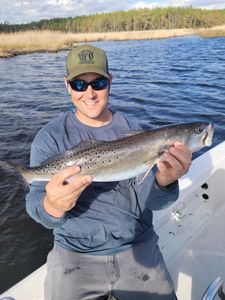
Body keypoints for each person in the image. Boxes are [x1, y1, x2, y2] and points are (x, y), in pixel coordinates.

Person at [26, 44, 192, 300]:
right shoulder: (50, 137)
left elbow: (155, 202)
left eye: (98, 83)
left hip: (137, 246)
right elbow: (36, 207)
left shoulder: (136, 132)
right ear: (67, 85)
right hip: (74, 253)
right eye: (80, 85)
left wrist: (166, 182)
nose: (90, 93)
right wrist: (52, 205)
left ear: (110, 82)